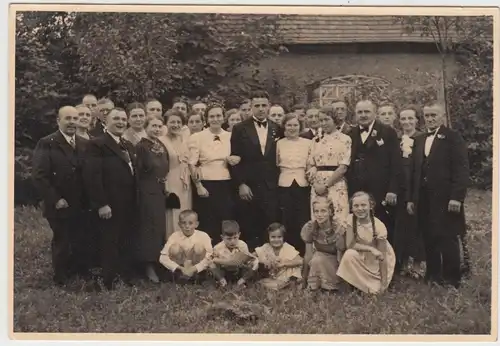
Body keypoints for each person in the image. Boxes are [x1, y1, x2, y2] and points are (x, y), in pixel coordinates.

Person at [407, 101, 469, 289]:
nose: (431, 119)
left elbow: (461, 169)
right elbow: (414, 171)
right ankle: (433, 275)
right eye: (427, 116)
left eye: (434, 115)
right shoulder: (419, 139)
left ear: (441, 116)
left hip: (445, 197)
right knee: (429, 235)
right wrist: (411, 198)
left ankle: (452, 278)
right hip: (423, 197)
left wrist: (456, 197)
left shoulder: (453, 137)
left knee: (447, 235)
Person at [32, 106, 90, 286]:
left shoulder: (83, 143)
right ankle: (60, 276)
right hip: (59, 202)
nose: (72, 122)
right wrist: (56, 199)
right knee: (62, 238)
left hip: (80, 201)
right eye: (68, 118)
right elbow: (40, 175)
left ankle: (78, 270)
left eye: (75, 118)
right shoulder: (47, 143)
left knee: (80, 236)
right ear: (58, 121)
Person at [83, 108, 138, 290]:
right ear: (106, 122)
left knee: (126, 239)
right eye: (116, 119)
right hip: (110, 203)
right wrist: (102, 204)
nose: (121, 122)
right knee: (109, 241)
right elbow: (93, 176)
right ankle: (109, 280)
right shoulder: (97, 144)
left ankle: (124, 275)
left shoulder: (127, 145)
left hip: (128, 202)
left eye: (123, 119)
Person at [230, 90, 282, 249]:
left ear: (269, 106)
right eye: (257, 105)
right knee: (250, 226)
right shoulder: (240, 128)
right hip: (249, 187)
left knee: (270, 225)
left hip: (270, 186)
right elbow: (234, 159)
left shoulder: (277, 128)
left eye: (264, 105)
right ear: (251, 107)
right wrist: (241, 184)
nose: (261, 109)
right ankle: (251, 265)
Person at [347, 99, 401, 246]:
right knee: (360, 227)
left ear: (375, 113)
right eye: (360, 112)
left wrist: (392, 190)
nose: (363, 115)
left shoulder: (387, 132)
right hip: (357, 190)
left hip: (381, 190)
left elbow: (396, 163)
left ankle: (389, 265)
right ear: (355, 114)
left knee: (383, 227)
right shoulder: (350, 133)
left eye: (367, 111)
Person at [188, 104, 238, 240]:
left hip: (227, 183)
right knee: (208, 220)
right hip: (206, 183)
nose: (215, 119)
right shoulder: (197, 137)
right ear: (207, 119)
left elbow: (238, 157)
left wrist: (235, 159)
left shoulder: (231, 136)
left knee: (226, 218)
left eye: (218, 116)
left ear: (223, 118)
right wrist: (198, 186)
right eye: (212, 116)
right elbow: (191, 163)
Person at [337, 191, 396, 294]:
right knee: (349, 254)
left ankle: (372, 284)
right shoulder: (351, 220)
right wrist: (370, 249)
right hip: (362, 254)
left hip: (376, 260)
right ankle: (352, 285)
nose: (360, 209)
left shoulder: (378, 226)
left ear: (371, 206)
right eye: (356, 206)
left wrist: (384, 283)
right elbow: (350, 244)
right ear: (352, 208)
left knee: (376, 290)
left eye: (363, 205)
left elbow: (383, 257)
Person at [135, 116, 170, 283]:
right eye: (153, 126)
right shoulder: (141, 147)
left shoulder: (160, 145)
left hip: (160, 191)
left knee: (158, 228)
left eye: (159, 126)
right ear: (146, 127)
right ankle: (148, 267)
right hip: (147, 191)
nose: (156, 129)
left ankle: (158, 263)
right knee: (149, 228)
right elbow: (138, 172)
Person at [393, 105, 426, 279]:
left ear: (416, 120)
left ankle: (418, 264)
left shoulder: (422, 138)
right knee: (402, 226)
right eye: (403, 119)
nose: (406, 122)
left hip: (417, 188)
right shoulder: (397, 140)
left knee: (417, 226)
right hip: (401, 188)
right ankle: (403, 262)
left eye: (410, 118)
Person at [307, 105, 352, 221]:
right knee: (319, 218)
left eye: (327, 120)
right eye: (321, 120)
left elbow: (343, 167)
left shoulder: (345, 139)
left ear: (334, 120)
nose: (323, 123)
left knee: (338, 218)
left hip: (335, 183)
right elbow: (310, 163)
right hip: (317, 185)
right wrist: (315, 183)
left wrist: (326, 185)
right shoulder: (315, 140)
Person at [276, 113, 311, 254]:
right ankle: (288, 251)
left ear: (300, 126)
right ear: (284, 126)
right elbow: (276, 163)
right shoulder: (279, 143)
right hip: (284, 183)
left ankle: (302, 252)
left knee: (302, 218)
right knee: (287, 218)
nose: (292, 128)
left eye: (295, 125)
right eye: (289, 125)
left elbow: (311, 162)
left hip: (303, 183)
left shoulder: (308, 143)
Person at [159, 109, 192, 239]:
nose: (176, 125)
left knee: (185, 211)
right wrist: (165, 185)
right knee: (172, 212)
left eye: (179, 122)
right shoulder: (161, 141)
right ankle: (172, 244)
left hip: (185, 182)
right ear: (166, 124)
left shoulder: (184, 140)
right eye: (172, 122)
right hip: (170, 180)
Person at [301, 197, 345, 292]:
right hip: (318, 262)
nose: (319, 215)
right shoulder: (310, 227)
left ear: (330, 212)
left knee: (319, 258)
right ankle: (314, 286)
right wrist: (304, 280)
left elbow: (341, 255)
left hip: (336, 263)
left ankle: (333, 285)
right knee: (317, 257)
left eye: (323, 211)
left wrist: (343, 283)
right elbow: (308, 255)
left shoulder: (338, 227)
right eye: (316, 211)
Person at [159, 210, 213, 283]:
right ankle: (179, 275)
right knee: (174, 248)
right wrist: (180, 268)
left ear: (196, 224)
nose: (187, 226)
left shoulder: (203, 235)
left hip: (197, 267)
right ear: (179, 224)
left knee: (199, 247)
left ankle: (197, 276)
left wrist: (194, 268)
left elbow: (210, 256)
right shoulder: (174, 236)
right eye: (184, 223)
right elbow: (162, 257)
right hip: (181, 267)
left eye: (190, 223)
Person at [210, 220, 258, 287]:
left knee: (255, 262)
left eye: (235, 238)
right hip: (225, 270)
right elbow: (212, 260)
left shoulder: (242, 245)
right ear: (222, 237)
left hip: (239, 270)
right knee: (210, 264)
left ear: (239, 235)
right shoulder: (218, 247)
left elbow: (245, 260)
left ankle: (242, 281)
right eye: (229, 239)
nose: (232, 241)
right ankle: (221, 281)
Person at [254, 223, 303, 290]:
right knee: (260, 282)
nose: (276, 240)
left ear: (283, 237)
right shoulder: (266, 247)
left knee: (294, 267)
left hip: (286, 275)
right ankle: (279, 286)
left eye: (279, 237)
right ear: (268, 237)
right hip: (274, 276)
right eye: (273, 237)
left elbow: (301, 261)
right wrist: (263, 260)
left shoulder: (287, 247)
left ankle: (290, 285)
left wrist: (284, 264)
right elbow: (253, 255)